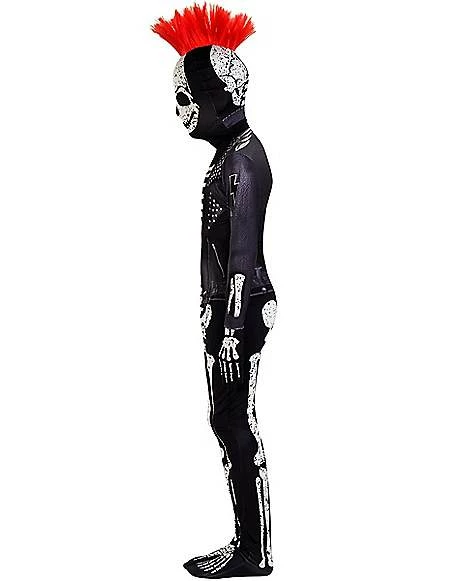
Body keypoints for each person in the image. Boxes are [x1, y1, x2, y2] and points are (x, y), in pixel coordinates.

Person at [152, 4, 277, 577]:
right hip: (230, 312)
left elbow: (243, 256)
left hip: (239, 313)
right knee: (228, 423)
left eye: (187, 97)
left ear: (216, 97)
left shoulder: (241, 164)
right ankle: (248, 544)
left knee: (233, 425)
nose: (181, 111)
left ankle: (252, 551)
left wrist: (229, 326)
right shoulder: (231, 156)